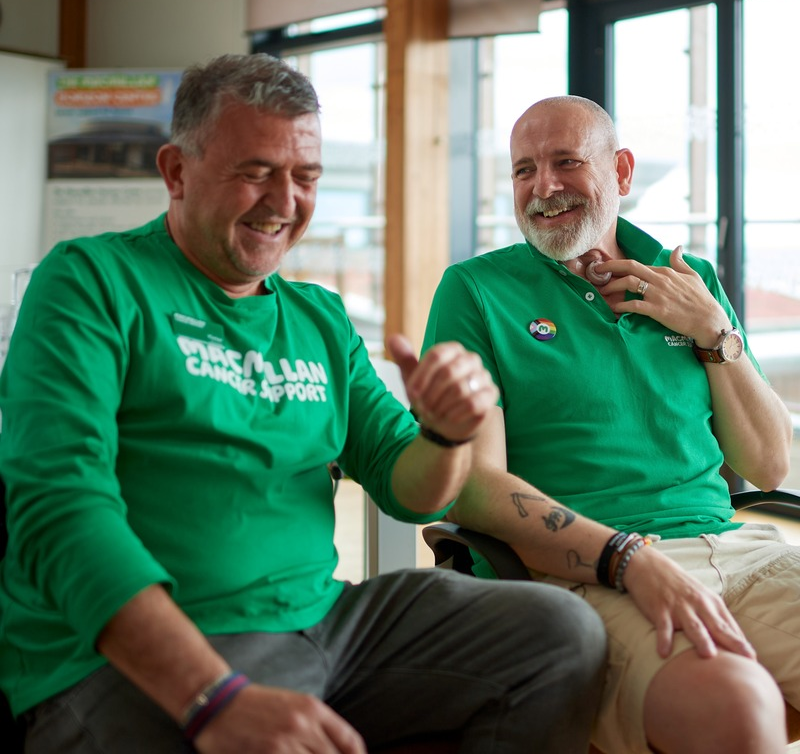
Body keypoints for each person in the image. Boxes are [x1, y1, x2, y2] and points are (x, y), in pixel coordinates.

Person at [0, 56, 608, 754]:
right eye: (256, 172)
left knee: (560, 634)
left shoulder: (318, 317)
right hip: (134, 657)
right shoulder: (90, 282)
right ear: (176, 172)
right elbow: (60, 509)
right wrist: (212, 697)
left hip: (324, 620)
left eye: (306, 177)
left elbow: (410, 490)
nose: (284, 202)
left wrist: (443, 436)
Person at [422, 95, 800, 754]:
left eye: (566, 162)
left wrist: (714, 331)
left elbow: (769, 464)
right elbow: (475, 488)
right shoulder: (477, 291)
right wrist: (627, 558)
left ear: (621, 171)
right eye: (524, 170)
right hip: (584, 570)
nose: (544, 187)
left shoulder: (690, 281)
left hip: (737, 551)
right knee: (736, 707)